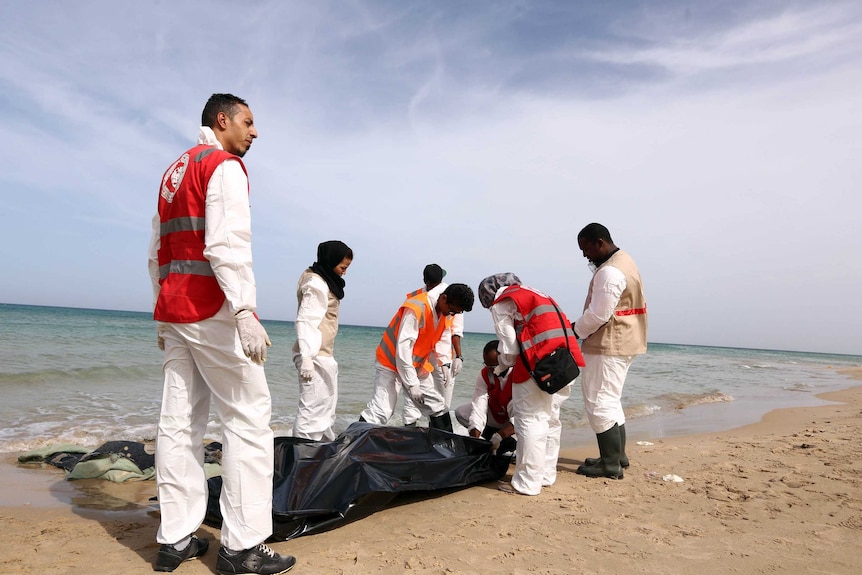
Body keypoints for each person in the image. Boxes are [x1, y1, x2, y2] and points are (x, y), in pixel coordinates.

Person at [148, 93, 296, 574]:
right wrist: (246, 310)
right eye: (248, 122)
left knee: (178, 424)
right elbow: (227, 245)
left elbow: (157, 250)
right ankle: (242, 547)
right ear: (222, 120)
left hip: (174, 309)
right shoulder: (223, 165)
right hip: (210, 309)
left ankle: (175, 539)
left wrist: (163, 304)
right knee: (248, 419)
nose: (254, 133)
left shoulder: (174, 172)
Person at [477, 273, 584, 496]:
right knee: (550, 419)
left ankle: (527, 483)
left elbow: (509, 349)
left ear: (488, 296)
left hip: (540, 365)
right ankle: (545, 475)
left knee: (530, 421)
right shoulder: (537, 294)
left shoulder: (502, 302)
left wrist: (500, 368)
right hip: (566, 361)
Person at [572, 223, 647, 480]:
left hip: (609, 343)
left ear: (600, 242)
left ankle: (610, 465)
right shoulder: (626, 261)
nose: (585, 255)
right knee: (611, 400)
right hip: (626, 340)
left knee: (598, 400)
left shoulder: (610, 272)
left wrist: (574, 330)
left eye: (586, 249)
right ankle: (616, 456)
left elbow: (598, 315)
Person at [359, 283, 475, 431]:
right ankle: (350, 443)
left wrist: (445, 363)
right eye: (452, 310)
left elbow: (442, 338)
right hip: (391, 364)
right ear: (444, 298)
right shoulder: (417, 308)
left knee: (437, 406)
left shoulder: (444, 313)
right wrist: (412, 384)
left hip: (417, 366)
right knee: (382, 409)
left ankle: (446, 447)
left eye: (455, 313)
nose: (451, 314)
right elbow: (403, 349)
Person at [291, 240, 353, 441]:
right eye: (343, 267)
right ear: (331, 260)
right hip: (314, 355)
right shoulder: (316, 282)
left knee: (325, 408)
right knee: (311, 411)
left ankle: (320, 455)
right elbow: (306, 319)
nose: (344, 272)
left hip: (322, 353)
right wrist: (307, 357)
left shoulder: (324, 281)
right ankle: (301, 460)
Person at [402, 264, 465, 426]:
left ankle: (437, 433)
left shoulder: (452, 299)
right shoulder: (421, 298)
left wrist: (456, 357)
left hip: (439, 355)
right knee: (415, 394)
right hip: (421, 354)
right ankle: (412, 430)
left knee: (441, 398)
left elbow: (453, 330)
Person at [454, 339, 517, 456]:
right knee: (461, 412)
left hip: (513, 418)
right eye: (487, 365)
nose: (491, 370)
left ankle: (508, 441)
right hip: (495, 414)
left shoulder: (517, 374)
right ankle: (496, 441)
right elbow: (479, 406)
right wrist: (475, 440)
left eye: (493, 366)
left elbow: (522, 414)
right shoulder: (484, 374)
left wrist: (501, 435)